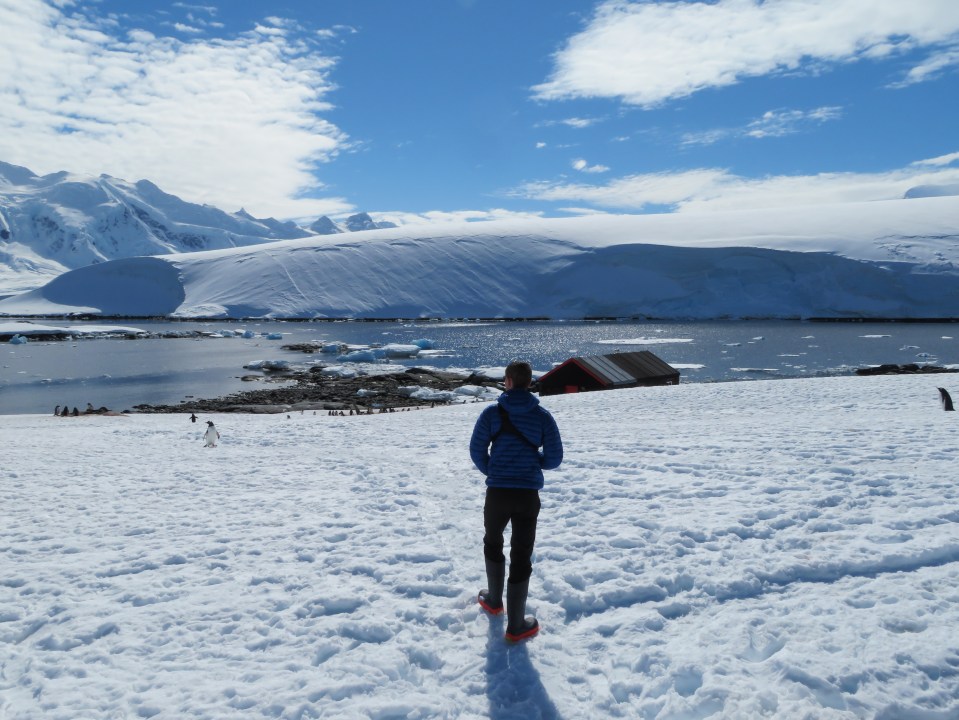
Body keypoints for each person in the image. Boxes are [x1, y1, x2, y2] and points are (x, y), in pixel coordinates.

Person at [469, 360, 563, 642]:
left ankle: (494, 601)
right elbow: (555, 458)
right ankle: (516, 626)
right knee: (522, 554)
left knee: (493, 541)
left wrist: (494, 470)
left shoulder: (491, 413)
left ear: (508, 381)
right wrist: (533, 465)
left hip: (497, 492)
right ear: (529, 382)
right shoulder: (542, 416)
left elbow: (476, 450)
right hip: (527, 495)